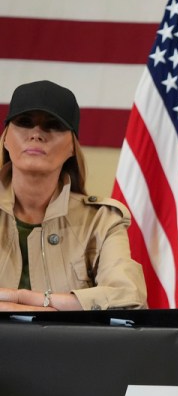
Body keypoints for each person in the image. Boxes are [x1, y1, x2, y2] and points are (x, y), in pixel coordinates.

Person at [0, 80, 146, 311]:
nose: (36, 134)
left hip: (67, 349)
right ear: (6, 138)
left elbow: (129, 299)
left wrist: (21, 298)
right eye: (25, 122)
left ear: (72, 147)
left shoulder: (102, 221)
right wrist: (62, 308)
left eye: (53, 125)